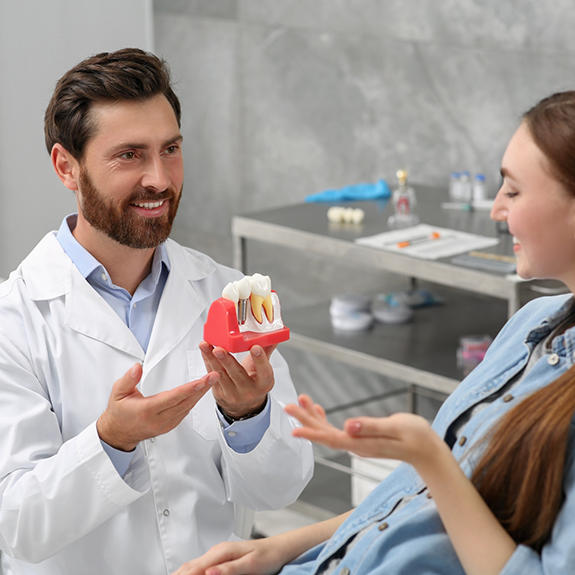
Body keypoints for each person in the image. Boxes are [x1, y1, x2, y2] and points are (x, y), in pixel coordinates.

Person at [173, 90, 575, 575]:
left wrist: (431, 457)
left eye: (512, 190)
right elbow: (411, 499)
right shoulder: (534, 325)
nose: (495, 210)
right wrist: (279, 548)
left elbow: (446, 487)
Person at [0, 48, 313, 575]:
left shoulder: (225, 292)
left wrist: (248, 417)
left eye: (170, 149)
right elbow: (17, 525)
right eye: (129, 155)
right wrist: (112, 441)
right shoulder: (15, 320)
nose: (160, 179)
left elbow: (281, 488)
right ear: (66, 167)